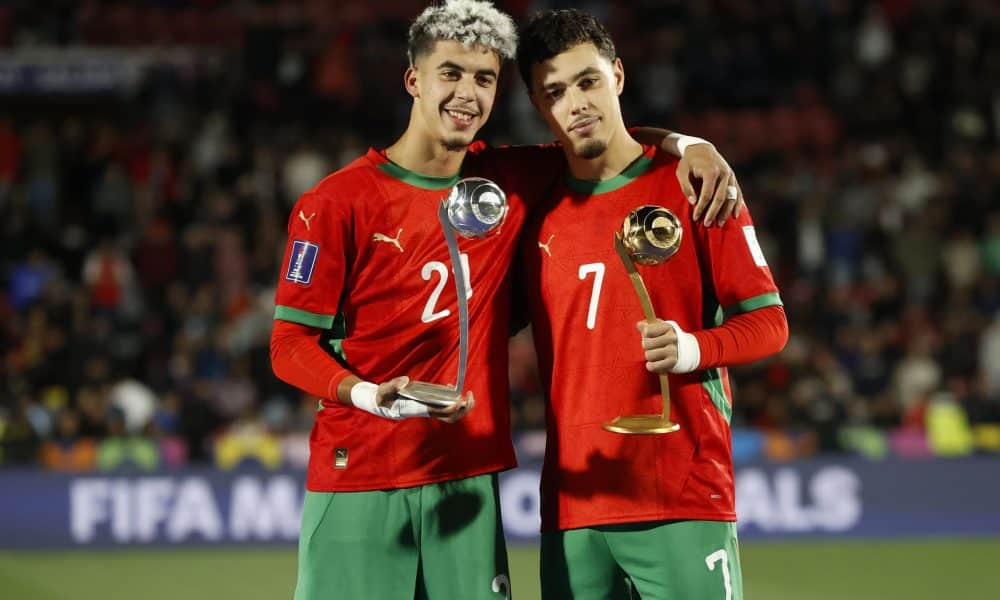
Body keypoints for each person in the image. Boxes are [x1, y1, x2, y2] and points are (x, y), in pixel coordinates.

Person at [270, 1, 742, 598]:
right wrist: (368, 395)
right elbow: (288, 346)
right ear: (413, 79)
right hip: (359, 475)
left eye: (485, 78)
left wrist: (689, 143)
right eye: (451, 73)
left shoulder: (510, 181)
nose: (467, 92)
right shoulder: (336, 203)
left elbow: (605, 140)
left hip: (466, 478)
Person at [516, 9, 789, 600]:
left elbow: (770, 324)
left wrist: (693, 348)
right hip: (573, 508)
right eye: (555, 92)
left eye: (587, 81)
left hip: (681, 492)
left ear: (617, 74)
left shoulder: (695, 184)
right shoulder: (532, 204)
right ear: (540, 106)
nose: (576, 103)